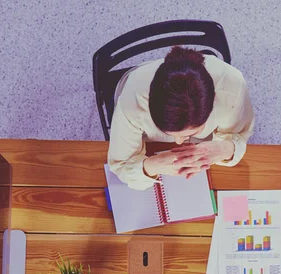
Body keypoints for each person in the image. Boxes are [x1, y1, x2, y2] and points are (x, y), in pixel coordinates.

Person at [108, 46, 254, 190]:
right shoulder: (133, 98)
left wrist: (226, 148)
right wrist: (153, 165)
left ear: (213, 102)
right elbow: (120, 164)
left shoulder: (233, 87)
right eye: (168, 133)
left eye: (192, 133)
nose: (178, 143)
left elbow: (239, 134)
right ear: (149, 103)